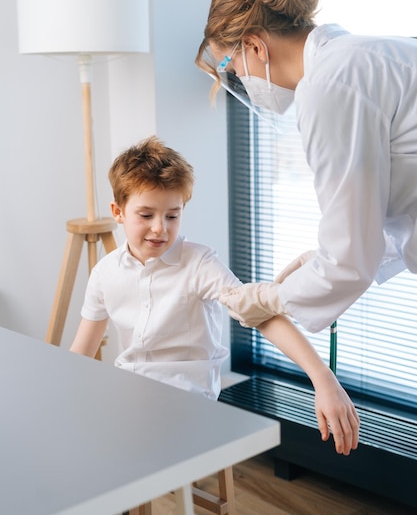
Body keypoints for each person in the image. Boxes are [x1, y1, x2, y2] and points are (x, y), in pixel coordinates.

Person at [70, 136, 359, 455]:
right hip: (133, 391)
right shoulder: (104, 273)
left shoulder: (199, 264)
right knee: (81, 434)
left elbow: (259, 314)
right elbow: (81, 353)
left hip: (187, 394)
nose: (160, 229)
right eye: (146, 215)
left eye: (172, 215)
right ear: (118, 211)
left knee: (109, 445)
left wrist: (322, 377)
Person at [195, 0, 417, 335]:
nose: (244, 85)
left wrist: (271, 298)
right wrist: (323, 262)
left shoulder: (328, 87)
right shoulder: (360, 57)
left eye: (233, 71)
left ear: (254, 46)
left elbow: (349, 263)